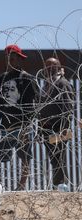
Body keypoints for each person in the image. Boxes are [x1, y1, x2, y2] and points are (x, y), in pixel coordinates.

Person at [0, 44, 37, 190]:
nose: (9, 60)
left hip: (21, 123)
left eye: (12, 57)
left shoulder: (26, 78)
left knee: (24, 156)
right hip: (5, 123)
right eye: (7, 58)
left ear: (19, 59)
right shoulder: (2, 78)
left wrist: (26, 125)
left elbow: (31, 104)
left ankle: (21, 186)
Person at [38, 57, 74, 191]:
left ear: (59, 68)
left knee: (59, 157)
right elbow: (41, 110)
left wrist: (65, 127)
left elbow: (68, 106)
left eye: (53, 65)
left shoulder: (62, 83)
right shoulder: (46, 85)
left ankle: (61, 186)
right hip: (47, 129)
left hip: (59, 127)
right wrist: (39, 130)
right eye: (47, 66)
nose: (49, 68)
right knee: (54, 158)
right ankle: (58, 185)